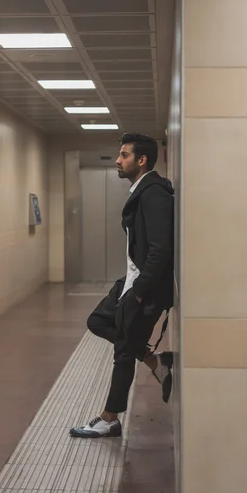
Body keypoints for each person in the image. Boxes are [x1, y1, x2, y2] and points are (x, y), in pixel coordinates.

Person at [70, 133, 174, 439]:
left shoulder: (153, 194)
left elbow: (160, 249)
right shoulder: (143, 191)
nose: (118, 160)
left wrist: (139, 292)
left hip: (143, 287)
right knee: (97, 321)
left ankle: (109, 418)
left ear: (141, 160)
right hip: (130, 281)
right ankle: (156, 361)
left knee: (124, 352)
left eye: (124, 155)